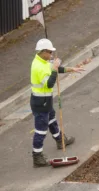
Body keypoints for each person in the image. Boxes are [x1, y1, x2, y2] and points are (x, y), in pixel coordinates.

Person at [31, 38, 84, 167]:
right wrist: (54, 68)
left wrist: (71, 69)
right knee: (41, 130)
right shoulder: (38, 67)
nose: (51, 55)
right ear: (43, 52)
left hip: (45, 101)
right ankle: (37, 157)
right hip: (40, 103)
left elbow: (55, 69)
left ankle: (60, 141)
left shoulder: (43, 61)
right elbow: (49, 84)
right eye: (49, 52)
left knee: (52, 120)